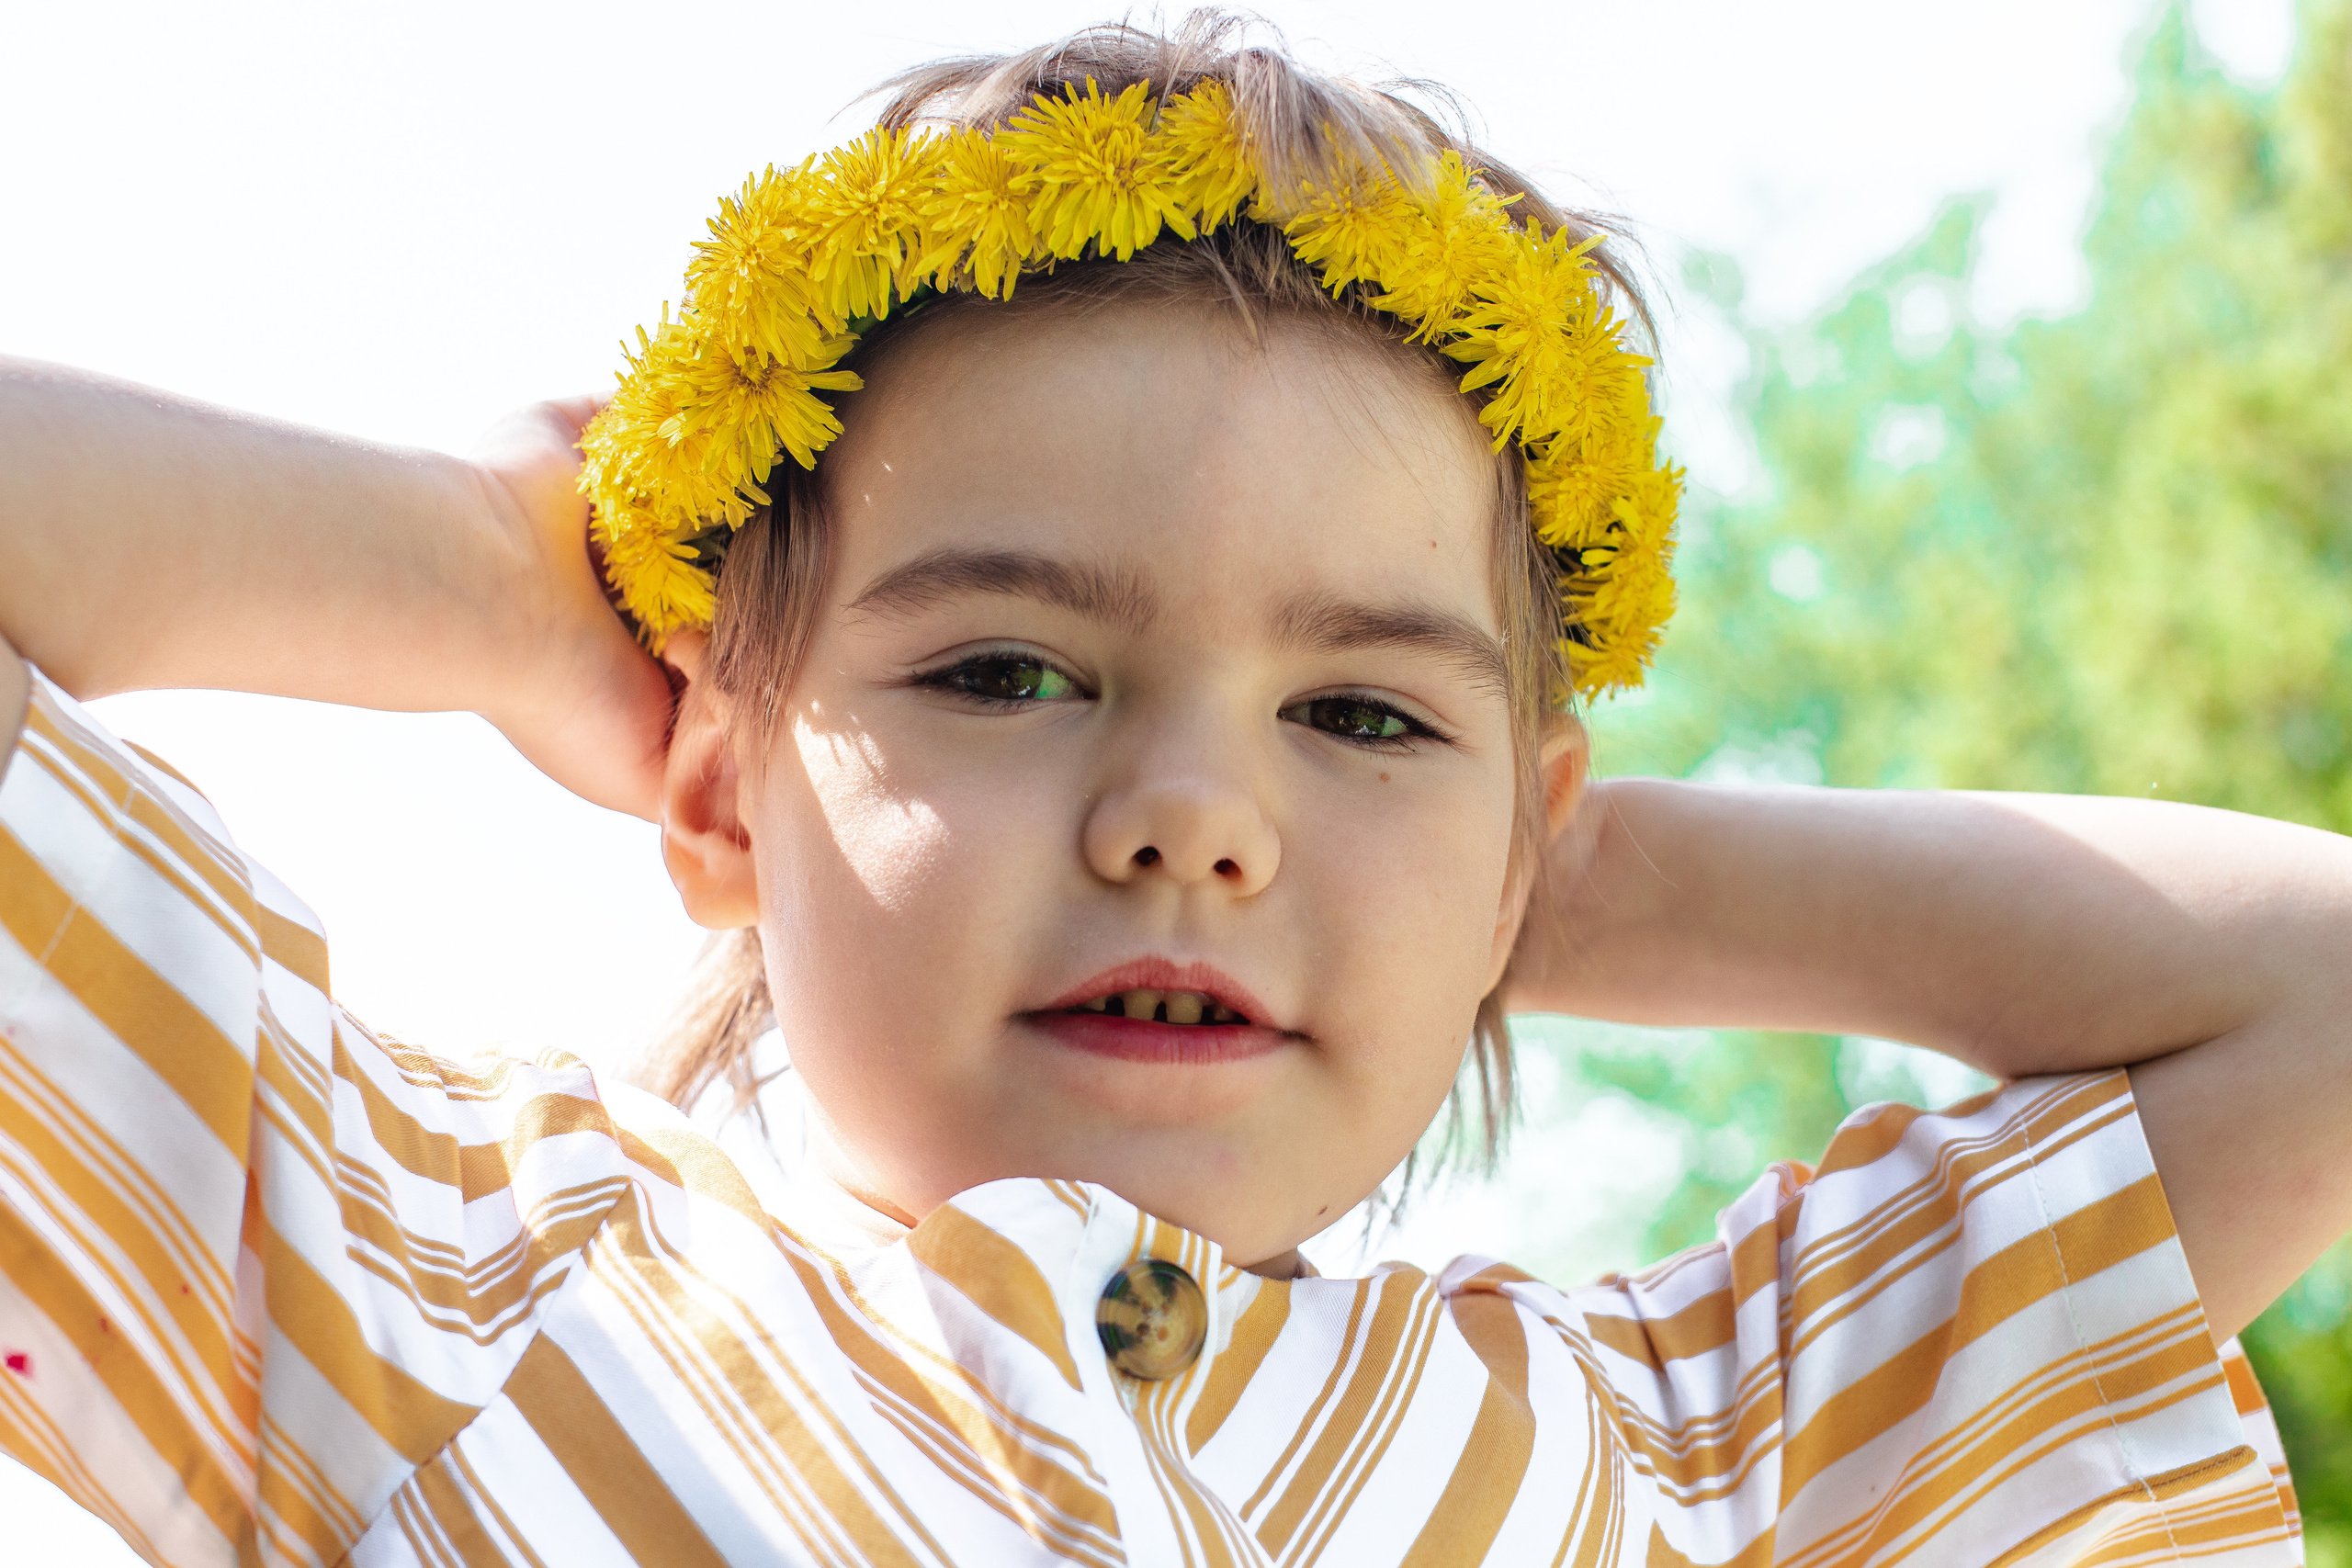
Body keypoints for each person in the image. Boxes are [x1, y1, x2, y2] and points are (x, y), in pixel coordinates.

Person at [0, 16, 2341, 1566]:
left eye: (1360, 715)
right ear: (719, 784)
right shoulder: (417, 1289)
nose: (1189, 819)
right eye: (1010, 667)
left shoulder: (1693, 1467)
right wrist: (484, 584)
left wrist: (1548, 875)